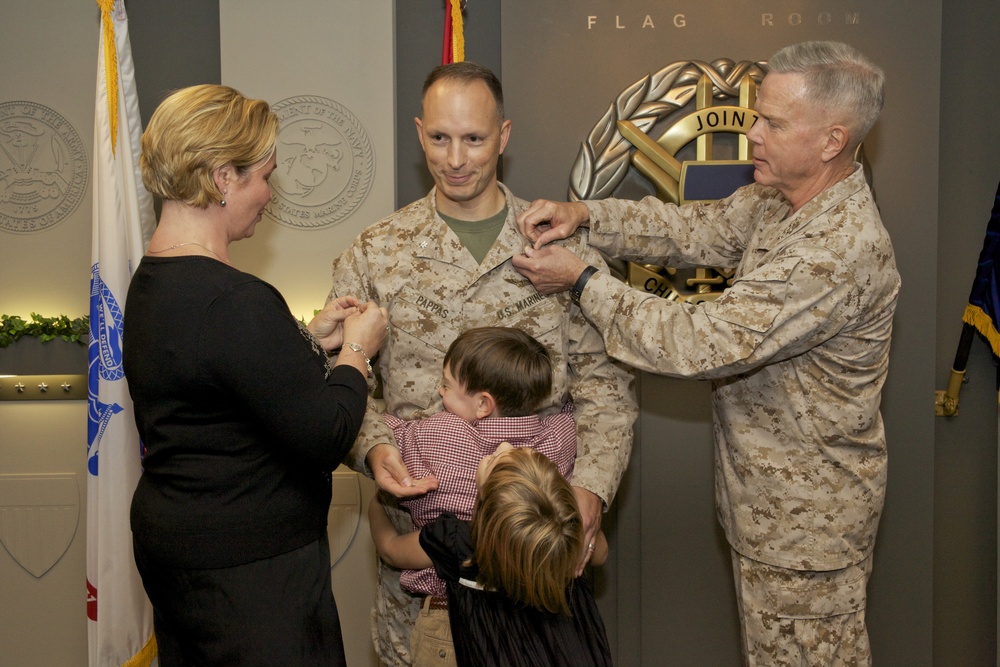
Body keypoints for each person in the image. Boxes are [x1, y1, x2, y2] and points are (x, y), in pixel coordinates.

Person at [512, 41, 899, 666]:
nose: (753, 133)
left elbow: (699, 342)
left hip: (807, 530)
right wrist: (586, 214)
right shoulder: (783, 199)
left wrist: (583, 280)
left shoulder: (837, 249)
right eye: (755, 115)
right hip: (769, 513)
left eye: (773, 122)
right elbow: (695, 230)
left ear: (832, 140)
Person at [328, 61, 638, 665]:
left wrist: (594, 487)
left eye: (474, 138)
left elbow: (608, 387)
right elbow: (344, 377)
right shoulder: (376, 251)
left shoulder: (559, 247)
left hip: (536, 571)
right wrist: (372, 449)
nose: (456, 158)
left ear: (504, 135)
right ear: (420, 133)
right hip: (423, 576)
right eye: (440, 137)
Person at [123, 84, 388, 667]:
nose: (270, 193)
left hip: (182, 552)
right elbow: (325, 435)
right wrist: (357, 354)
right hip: (250, 572)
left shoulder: (152, 283)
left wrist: (307, 339)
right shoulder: (233, 299)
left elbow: (219, 377)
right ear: (223, 177)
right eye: (264, 175)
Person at [384, 326, 577, 665]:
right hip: (532, 620)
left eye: (445, 385)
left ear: (484, 404)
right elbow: (571, 415)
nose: (439, 393)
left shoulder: (440, 435)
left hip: (450, 620)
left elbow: (386, 432)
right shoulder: (556, 439)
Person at [370, 444, 612, 667]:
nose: (503, 443)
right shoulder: (566, 536)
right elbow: (600, 553)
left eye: (494, 460)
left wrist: (377, 506)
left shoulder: (456, 541)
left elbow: (391, 549)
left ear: (486, 506)